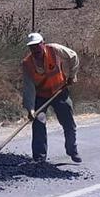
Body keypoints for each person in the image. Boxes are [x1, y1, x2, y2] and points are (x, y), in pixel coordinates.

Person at [21, 32, 82, 163]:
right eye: (32, 47)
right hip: (41, 96)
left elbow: (73, 56)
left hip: (59, 92)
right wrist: (31, 109)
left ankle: (72, 150)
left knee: (68, 123)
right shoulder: (27, 64)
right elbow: (28, 88)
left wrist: (72, 75)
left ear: (43, 43)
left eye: (37, 46)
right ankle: (39, 158)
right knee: (39, 124)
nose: (35, 49)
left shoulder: (54, 50)